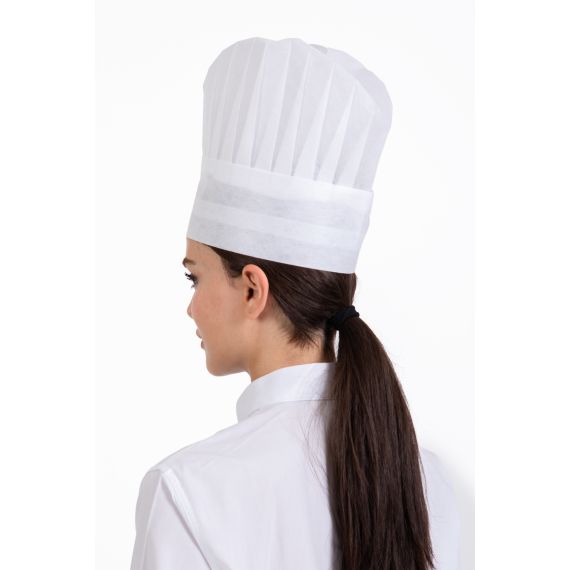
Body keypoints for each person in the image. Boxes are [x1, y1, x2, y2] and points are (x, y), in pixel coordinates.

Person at [129, 36, 461, 570]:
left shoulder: (188, 491)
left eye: (194, 278)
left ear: (252, 289)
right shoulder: (431, 482)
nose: (191, 308)